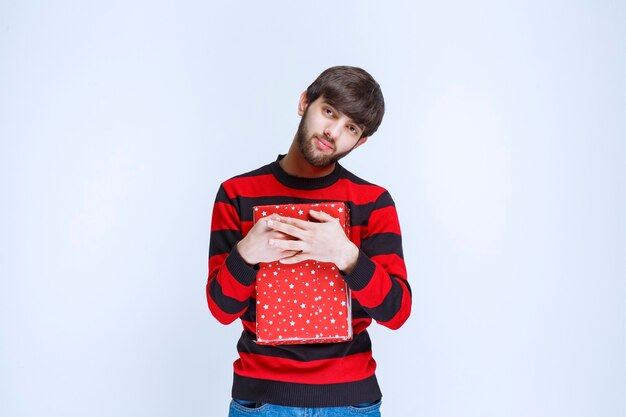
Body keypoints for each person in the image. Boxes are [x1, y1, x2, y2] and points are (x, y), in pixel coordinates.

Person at [206, 66, 411, 417]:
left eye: (351, 128)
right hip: (260, 400)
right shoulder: (237, 194)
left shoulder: (372, 201)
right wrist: (246, 253)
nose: (332, 132)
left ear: (360, 142)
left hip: (350, 403)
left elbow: (396, 311)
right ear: (305, 102)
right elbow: (221, 310)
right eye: (329, 111)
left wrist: (346, 255)